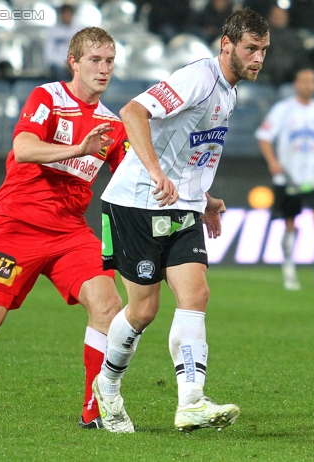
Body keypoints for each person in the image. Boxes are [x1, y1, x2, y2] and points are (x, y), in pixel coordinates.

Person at [0, 27, 129, 430]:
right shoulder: (49, 97)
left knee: (109, 306)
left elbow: (135, 173)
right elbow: (23, 148)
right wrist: (77, 149)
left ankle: (92, 410)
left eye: (110, 61)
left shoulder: (113, 125)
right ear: (73, 62)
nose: (104, 69)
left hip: (69, 232)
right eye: (95, 60)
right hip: (15, 225)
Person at [92, 8, 270, 433]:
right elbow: (133, 112)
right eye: (251, 49)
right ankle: (108, 387)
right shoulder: (199, 77)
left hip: (182, 206)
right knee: (143, 310)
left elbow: (190, 151)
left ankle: (191, 401)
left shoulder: (229, 90)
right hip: (136, 202)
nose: (259, 58)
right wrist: (155, 172)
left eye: (263, 50)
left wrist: (203, 198)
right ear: (226, 45)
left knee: (197, 294)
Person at [255, 67, 314, 290]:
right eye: (304, 81)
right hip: (289, 177)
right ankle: (289, 273)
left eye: (312, 81)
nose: (308, 85)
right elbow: (264, 137)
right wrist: (273, 162)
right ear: (296, 84)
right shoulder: (283, 109)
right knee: (290, 225)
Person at [43, 5, 80, 81]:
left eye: (69, 14)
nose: (67, 17)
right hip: (58, 66)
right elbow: (49, 54)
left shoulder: (78, 31)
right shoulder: (53, 31)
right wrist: (65, 64)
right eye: (65, 14)